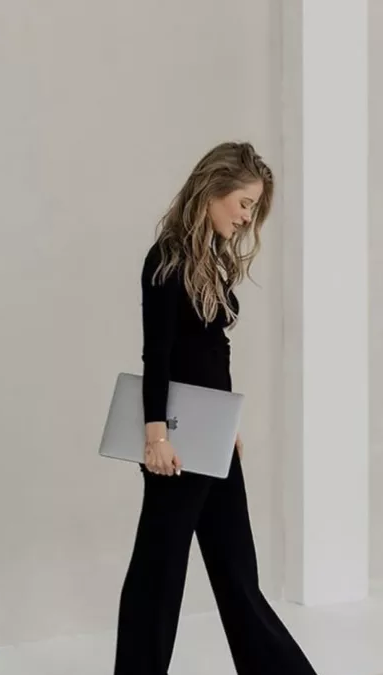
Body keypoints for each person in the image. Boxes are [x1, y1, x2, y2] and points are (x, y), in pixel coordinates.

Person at [113, 142, 318, 674]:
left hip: (210, 437)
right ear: (213, 190)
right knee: (158, 575)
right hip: (177, 445)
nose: (248, 217)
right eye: (245, 203)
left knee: (236, 573)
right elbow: (157, 354)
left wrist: (226, 424)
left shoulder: (212, 260)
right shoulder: (166, 258)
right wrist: (156, 436)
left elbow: (211, 352)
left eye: (254, 207)